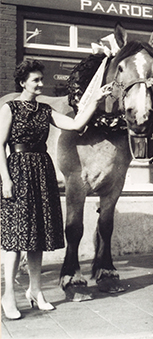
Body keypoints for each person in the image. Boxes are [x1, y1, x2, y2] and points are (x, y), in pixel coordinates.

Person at [0, 59, 111, 320]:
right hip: (17, 170)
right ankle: (8, 296)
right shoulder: (10, 108)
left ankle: (36, 291)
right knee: (15, 239)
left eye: (41, 79)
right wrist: (5, 180)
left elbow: (75, 124)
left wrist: (95, 100)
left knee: (37, 236)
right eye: (36, 80)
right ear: (22, 82)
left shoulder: (45, 111)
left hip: (41, 172)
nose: (41, 83)